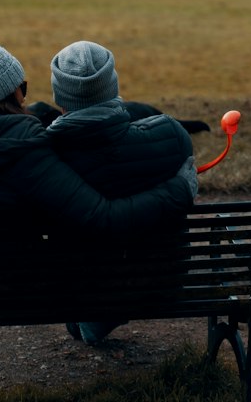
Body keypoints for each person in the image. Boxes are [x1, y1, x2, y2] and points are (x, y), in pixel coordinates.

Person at [0, 32, 197, 386]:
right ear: (10, 92)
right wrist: (179, 189)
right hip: (16, 289)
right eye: (22, 86)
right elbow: (101, 216)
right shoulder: (26, 152)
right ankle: (92, 320)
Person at [33, 40, 194, 345]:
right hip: (163, 279)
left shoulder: (45, 157)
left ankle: (98, 313)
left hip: (81, 286)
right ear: (112, 86)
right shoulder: (172, 135)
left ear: (59, 96)